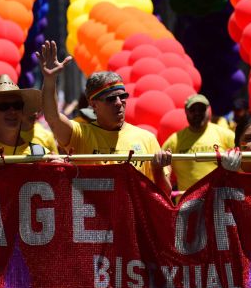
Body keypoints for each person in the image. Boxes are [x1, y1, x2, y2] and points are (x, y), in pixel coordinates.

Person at [37, 40, 169, 190]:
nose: (119, 103)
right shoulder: (81, 135)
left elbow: (164, 195)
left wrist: (158, 171)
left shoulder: (147, 138)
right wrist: (49, 80)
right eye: (111, 99)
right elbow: (53, 118)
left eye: (122, 96)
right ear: (93, 105)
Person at [162, 94, 235, 193]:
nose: (197, 113)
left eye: (201, 109)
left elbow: (242, 165)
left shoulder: (225, 135)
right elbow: (163, 171)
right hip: (187, 203)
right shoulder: (174, 141)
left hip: (218, 201)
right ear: (186, 112)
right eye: (193, 110)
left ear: (208, 110)